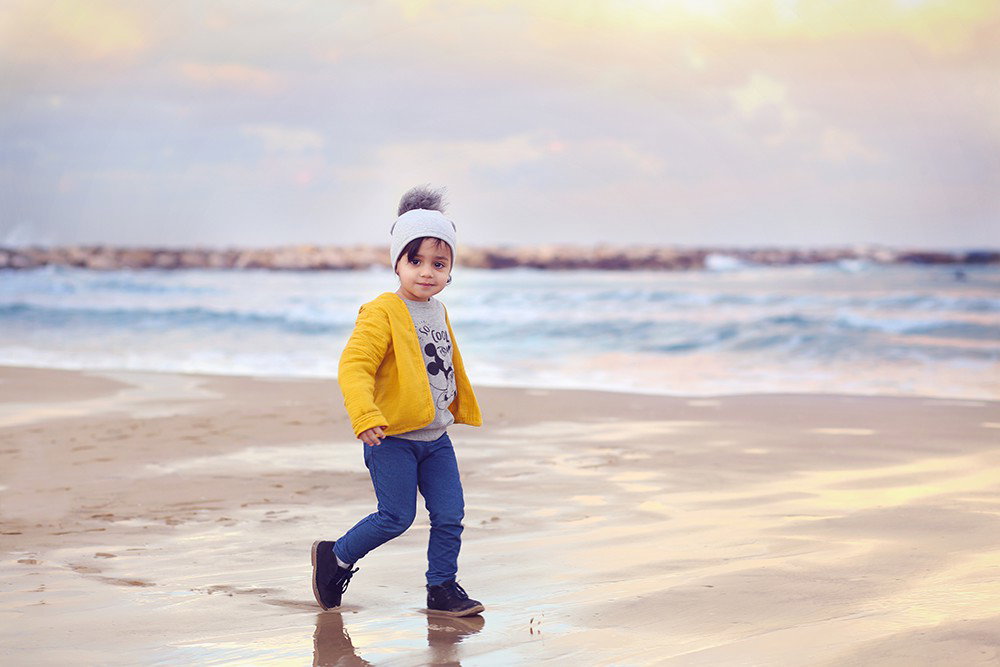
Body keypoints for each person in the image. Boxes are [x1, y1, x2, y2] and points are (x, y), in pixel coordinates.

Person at [312, 185, 485, 617]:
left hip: (435, 437)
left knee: (450, 515)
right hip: (391, 438)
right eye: (416, 260)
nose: (427, 272)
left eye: (439, 264)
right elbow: (354, 366)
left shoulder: (438, 310)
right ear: (397, 262)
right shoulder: (381, 311)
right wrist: (365, 414)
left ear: (450, 271)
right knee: (395, 516)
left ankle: (441, 589)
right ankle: (334, 557)